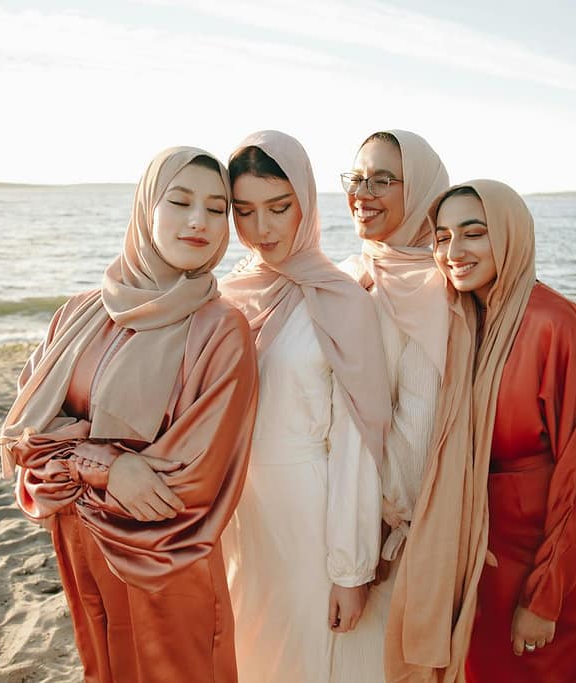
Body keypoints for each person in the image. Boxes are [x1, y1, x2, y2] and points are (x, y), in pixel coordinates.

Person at [0, 147, 258, 683]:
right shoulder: (79, 313)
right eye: (180, 201)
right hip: (79, 547)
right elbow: (23, 435)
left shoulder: (221, 329)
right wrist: (108, 465)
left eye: (217, 208)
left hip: (163, 558)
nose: (198, 221)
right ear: (146, 209)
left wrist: (71, 457)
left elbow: (188, 481)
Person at [385, 180, 576, 682]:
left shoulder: (556, 324)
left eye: (473, 233)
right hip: (477, 551)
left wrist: (545, 596)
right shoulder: (462, 320)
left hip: (550, 559)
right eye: (442, 237)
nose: (454, 251)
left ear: (510, 235)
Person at [218, 130, 391, 682]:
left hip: (309, 516)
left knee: (304, 661)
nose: (261, 229)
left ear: (306, 203)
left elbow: (356, 445)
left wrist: (351, 570)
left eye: (278, 207)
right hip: (234, 513)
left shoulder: (340, 297)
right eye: (243, 211)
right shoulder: (225, 296)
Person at [334, 129, 450, 681]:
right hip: (333, 512)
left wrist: (371, 524)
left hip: (383, 531)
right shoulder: (351, 271)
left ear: (422, 191)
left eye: (383, 179)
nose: (364, 191)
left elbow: (417, 425)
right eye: (357, 177)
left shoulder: (431, 289)